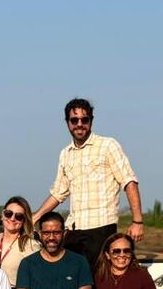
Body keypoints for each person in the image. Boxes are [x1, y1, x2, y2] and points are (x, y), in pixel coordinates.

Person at [32, 98, 144, 267]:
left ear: (91, 120)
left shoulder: (107, 146)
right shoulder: (65, 154)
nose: (79, 124)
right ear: (67, 123)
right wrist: (34, 217)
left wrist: (137, 221)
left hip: (100, 227)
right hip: (73, 229)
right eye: (74, 120)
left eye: (84, 119)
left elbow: (129, 182)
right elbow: (58, 192)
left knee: (98, 281)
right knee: (72, 280)